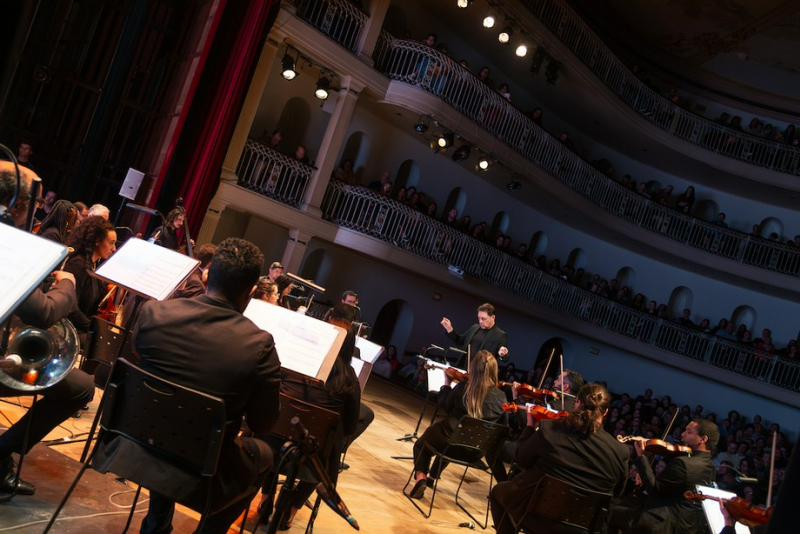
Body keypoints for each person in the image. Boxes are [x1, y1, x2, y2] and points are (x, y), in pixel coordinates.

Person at [92, 237, 281, 533]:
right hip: (202, 470)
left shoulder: (155, 313)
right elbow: (263, 422)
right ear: (252, 292)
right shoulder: (260, 345)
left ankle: (156, 524)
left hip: (131, 444)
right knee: (266, 455)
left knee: (169, 422)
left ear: (206, 276)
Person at [0, 160, 95, 497]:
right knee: (81, 388)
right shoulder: (8, 245)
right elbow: (44, 313)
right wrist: (66, 283)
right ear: (20, 205)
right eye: (37, 204)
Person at [258, 318, 360, 528]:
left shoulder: (293, 361)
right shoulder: (349, 379)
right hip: (311, 460)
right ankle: (291, 509)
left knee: (271, 429)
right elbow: (349, 428)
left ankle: (265, 500)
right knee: (327, 452)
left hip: (271, 448)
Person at [490, 383, 629, 534]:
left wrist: (530, 426)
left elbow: (521, 459)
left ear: (577, 403)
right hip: (583, 528)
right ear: (606, 412)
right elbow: (618, 491)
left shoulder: (550, 430)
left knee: (498, 493)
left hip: (535, 517)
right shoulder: (620, 452)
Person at [409, 350, 507, 500]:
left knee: (422, 444)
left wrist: (447, 385)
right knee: (458, 436)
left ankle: (421, 478)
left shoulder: (463, 387)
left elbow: (445, 407)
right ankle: (431, 478)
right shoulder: (501, 397)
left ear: (473, 368)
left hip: (451, 445)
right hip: (476, 452)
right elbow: (503, 426)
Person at [611, 418, 718, 533]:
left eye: (689, 432)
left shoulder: (683, 463)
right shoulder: (711, 469)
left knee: (609, 512)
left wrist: (641, 456)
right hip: (686, 526)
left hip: (663, 523)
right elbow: (675, 489)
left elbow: (654, 490)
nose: (683, 434)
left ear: (703, 439)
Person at [63, 216, 117, 334]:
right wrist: (92, 328)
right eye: (111, 243)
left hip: (81, 329)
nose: (113, 249)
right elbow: (70, 307)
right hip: (70, 330)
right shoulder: (78, 264)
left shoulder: (93, 265)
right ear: (97, 240)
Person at [440, 302, 509, 363]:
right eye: (479, 318)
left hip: (480, 373)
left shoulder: (500, 335)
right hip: (465, 367)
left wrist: (502, 354)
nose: (480, 321)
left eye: (483, 318)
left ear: (493, 317)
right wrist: (449, 329)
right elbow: (460, 341)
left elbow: (505, 357)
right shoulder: (475, 327)